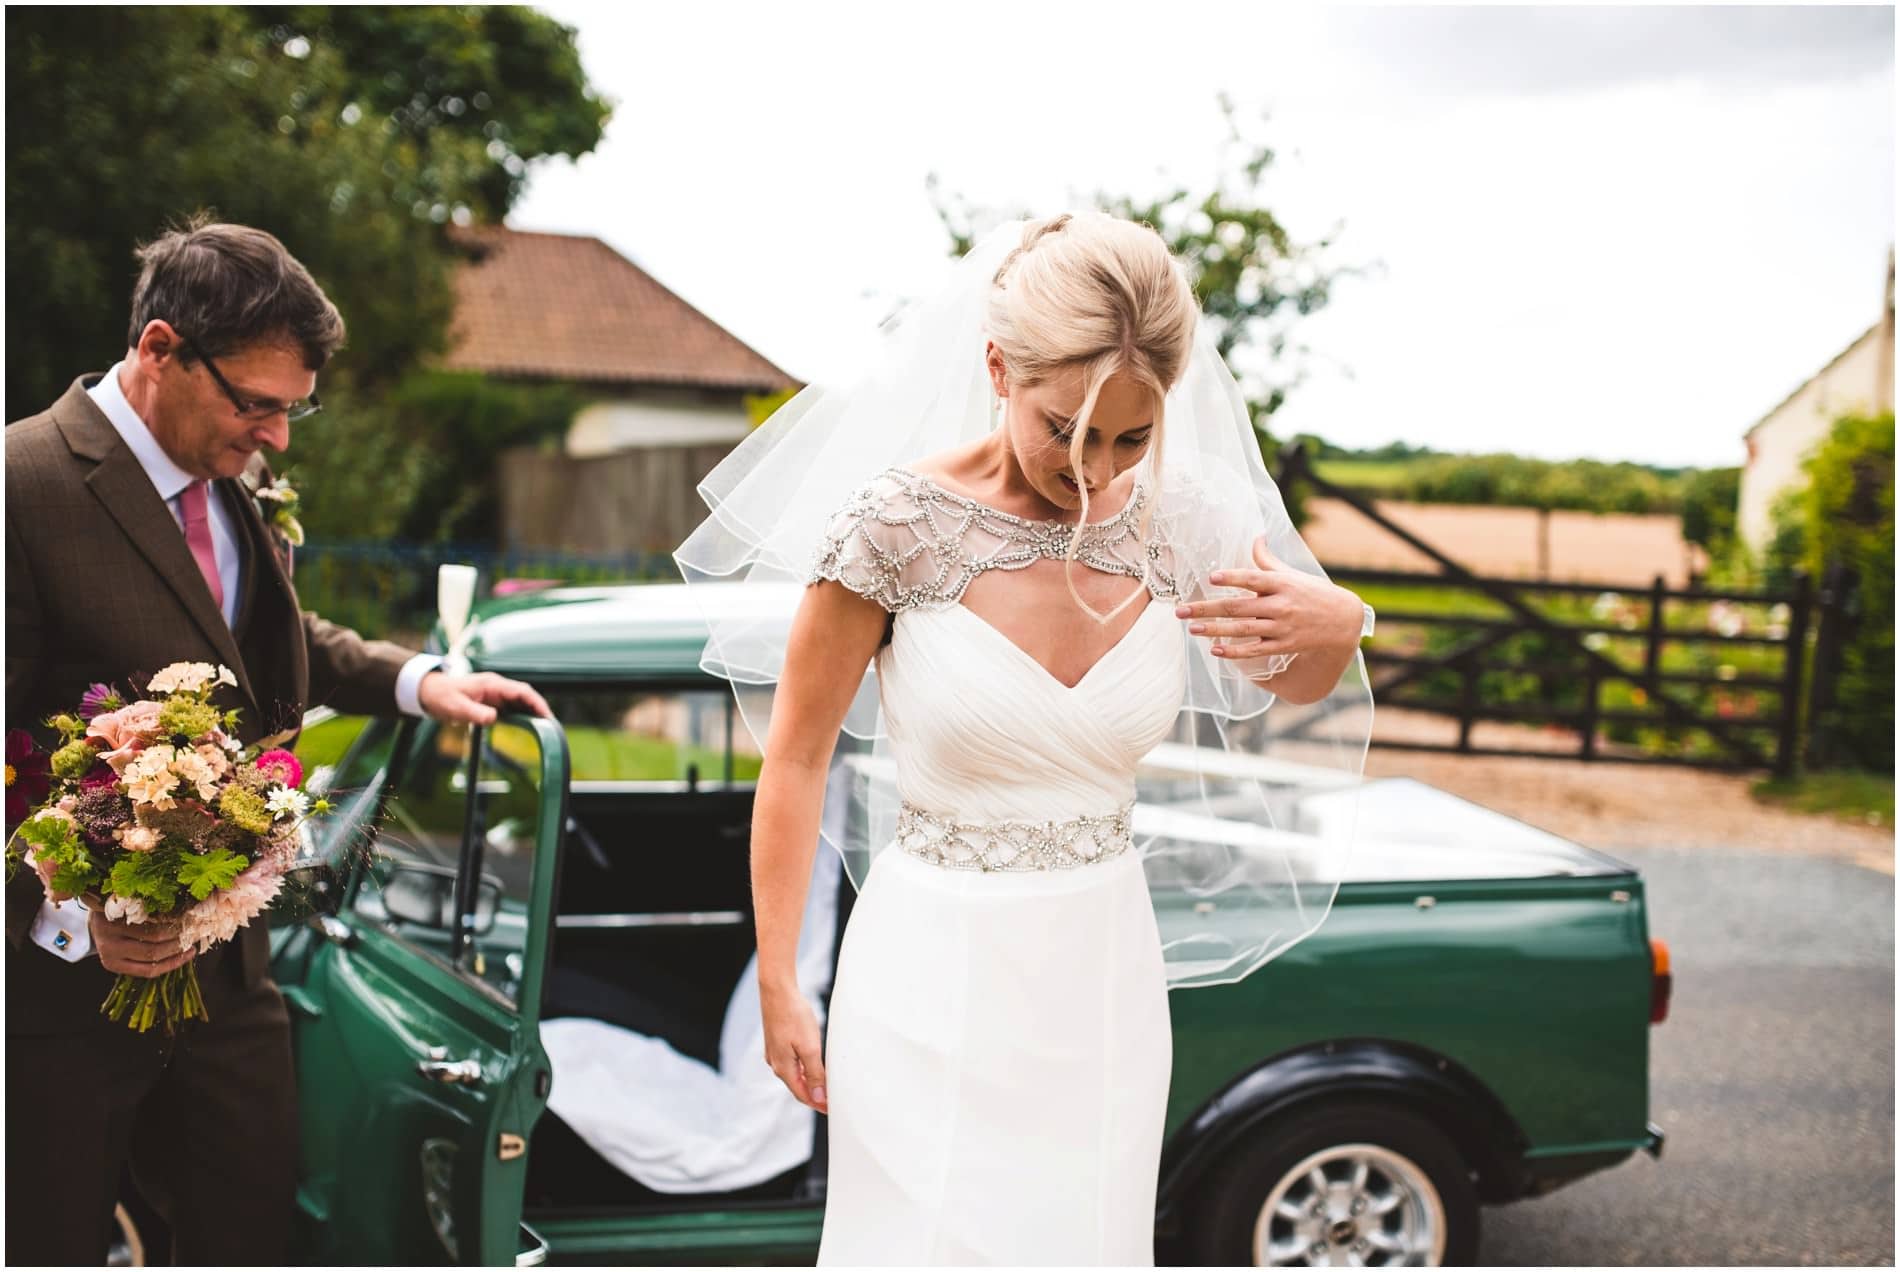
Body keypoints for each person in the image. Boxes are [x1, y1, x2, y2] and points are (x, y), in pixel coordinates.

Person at [675, 212, 1374, 1264]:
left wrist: (1345, 620)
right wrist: (779, 980)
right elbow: (798, 757)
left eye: (1129, 437)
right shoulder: (896, 526)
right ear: (999, 368)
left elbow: (1293, 674)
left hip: (1100, 970)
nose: (1093, 470)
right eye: (1064, 429)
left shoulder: (1185, 521)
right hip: (929, 966)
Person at [3, 215, 551, 1266]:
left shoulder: (230, 472)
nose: (279, 438)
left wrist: (414, 678)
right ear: (159, 350)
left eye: (294, 410)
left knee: (248, 1239)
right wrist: (66, 911)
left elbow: (251, 632)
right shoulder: (19, 486)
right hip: (55, 1003)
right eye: (258, 404)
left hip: (232, 986)